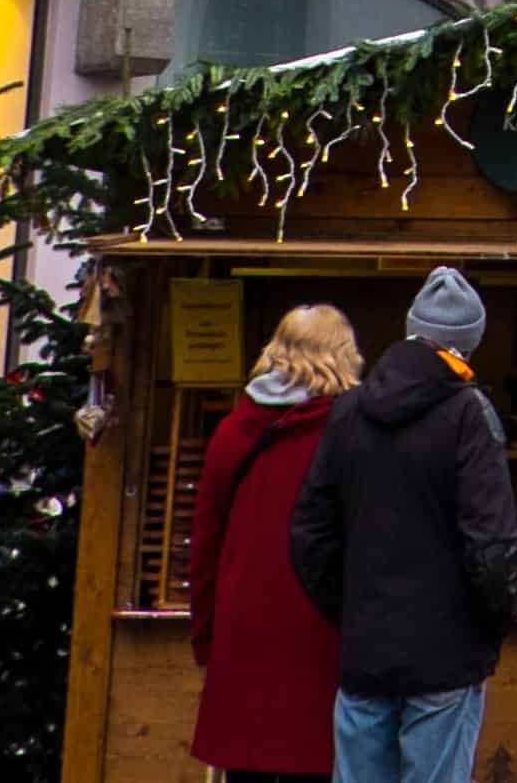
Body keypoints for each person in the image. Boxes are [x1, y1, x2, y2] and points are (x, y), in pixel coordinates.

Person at [290, 267, 517, 783]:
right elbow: (491, 545)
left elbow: (309, 532)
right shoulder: (469, 416)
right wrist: (495, 621)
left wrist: (350, 608)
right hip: (446, 654)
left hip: (365, 651)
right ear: (467, 344)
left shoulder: (348, 412)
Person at [187, 306, 362, 783]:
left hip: (243, 629)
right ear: (342, 356)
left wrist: (206, 636)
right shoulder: (353, 434)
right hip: (322, 630)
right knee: (317, 765)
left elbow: (204, 544)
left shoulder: (232, 431)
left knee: (247, 767)